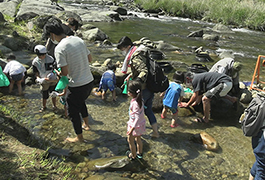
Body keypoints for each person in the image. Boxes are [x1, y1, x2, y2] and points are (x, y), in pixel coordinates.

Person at [44, 20, 94, 142]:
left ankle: (79, 137)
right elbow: (90, 59)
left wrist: (58, 73)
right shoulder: (78, 40)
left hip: (77, 85)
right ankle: (87, 124)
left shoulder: (59, 48)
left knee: (73, 112)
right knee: (81, 103)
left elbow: (65, 73)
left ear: (52, 35)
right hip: (89, 81)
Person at [117, 36, 159, 138]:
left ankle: (133, 131)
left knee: (134, 110)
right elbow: (142, 67)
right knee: (148, 110)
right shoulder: (139, 51)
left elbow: (143, 71)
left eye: (122, 49)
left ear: (128, 46)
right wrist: (130, 75)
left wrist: (135, 83)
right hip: (150, 85)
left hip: (143, 89)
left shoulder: (135, 56)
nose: (122, 51)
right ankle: (155, 132)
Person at [32, 45, 58, 112]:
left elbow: (55, 68)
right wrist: (38, 79)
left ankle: (54, 106)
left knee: (53, 93)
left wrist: (54, 77)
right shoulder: (35, 62)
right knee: (44, 94)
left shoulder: (50, 59)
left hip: (52, 79)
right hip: (43, 80)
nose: (42, 57)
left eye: (43, 55)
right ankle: (44, 106)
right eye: (40, 55)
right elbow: (36, 72)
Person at [126, 80, 146, 160]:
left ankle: (133, 155)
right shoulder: (140, 99)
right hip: (141, 124)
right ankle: (139, 153)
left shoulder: (135, 103)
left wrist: (132, 128)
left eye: (128, 90)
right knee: (138, 139)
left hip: (134, 125)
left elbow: (136, 117)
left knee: (130, 140)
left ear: (131, 93)